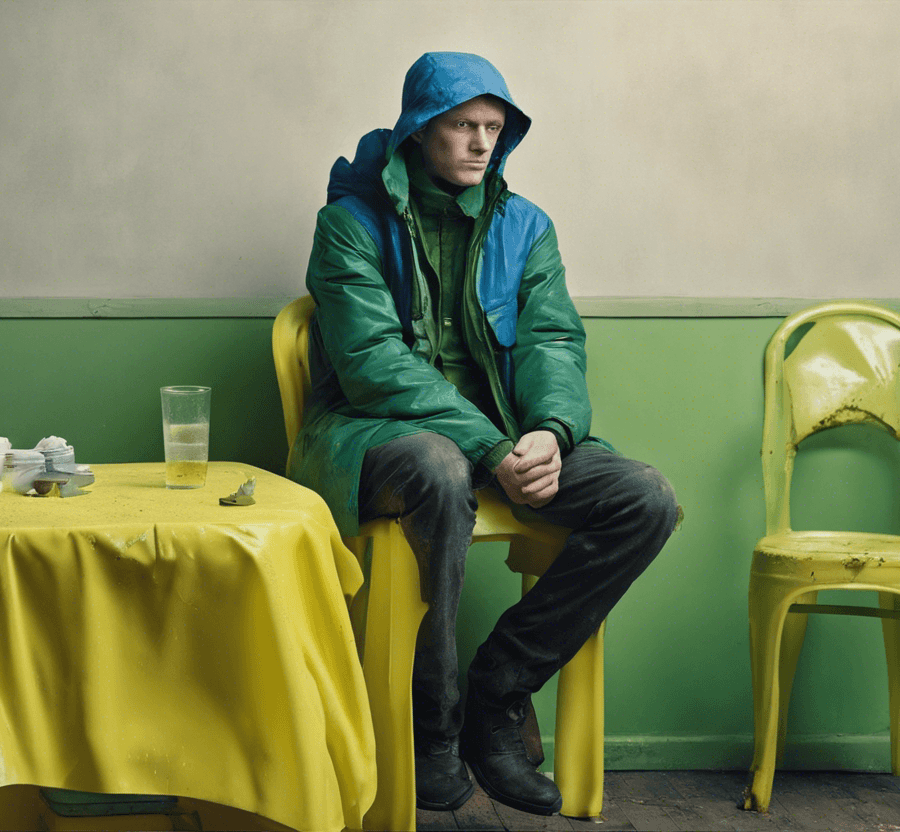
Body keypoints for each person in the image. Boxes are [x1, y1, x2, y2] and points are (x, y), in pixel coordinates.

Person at [289, 52, 679, 817]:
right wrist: (492, 450)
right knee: (437, 464)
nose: (480, 144)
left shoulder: (527, 226)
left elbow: (552, 343)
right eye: (463, 125)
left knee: (645, 497)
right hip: (378, 439)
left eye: (493, 129)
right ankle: (429, 725)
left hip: (502, 441)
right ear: (418, 131)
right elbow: (372, 364)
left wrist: (550, 433)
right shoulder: (346, 226)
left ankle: (495, 695)